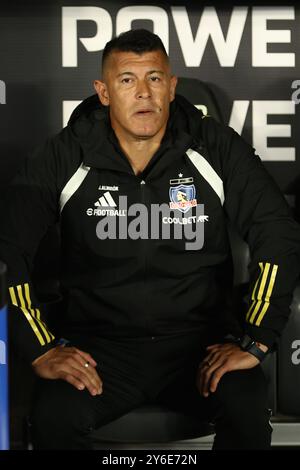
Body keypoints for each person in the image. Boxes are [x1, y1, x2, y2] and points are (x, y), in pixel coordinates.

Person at [0, 28, 300, 450]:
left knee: (247, 411)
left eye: (155, 78)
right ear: (103, 92)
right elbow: (7, 247)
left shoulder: (214, 146)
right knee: (52, 419)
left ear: (172, 87)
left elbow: (277, 231)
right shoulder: (66, 154)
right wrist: (41, 348)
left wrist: (257, 338)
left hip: (198, 347)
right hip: (98, 350)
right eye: (127, 80)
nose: (144, 93)